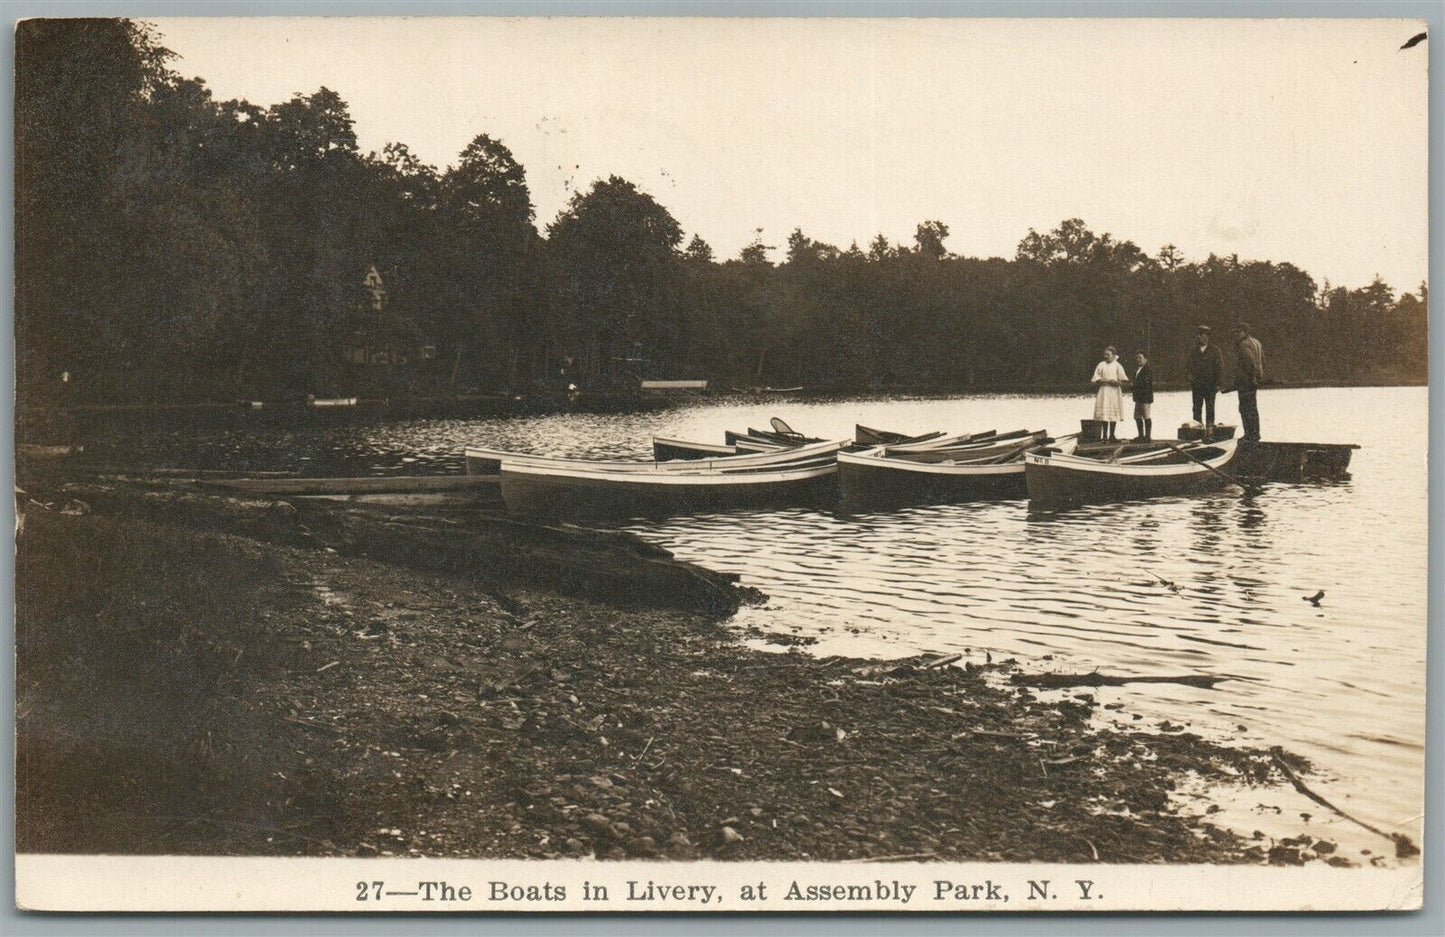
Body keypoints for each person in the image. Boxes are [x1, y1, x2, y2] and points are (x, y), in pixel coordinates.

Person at [1187, 325, 1225, 438]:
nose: (1199, 338)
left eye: (1202, 335)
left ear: (1207, 337)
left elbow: (1220, 368)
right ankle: (1197, 431)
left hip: (1210, 385)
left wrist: (1219, 383)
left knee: (1210, 408)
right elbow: (1188, 367)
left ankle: (1210, 431)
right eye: (1198, 336)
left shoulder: (1215, 350)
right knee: (1196, 408)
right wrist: (1189, 376)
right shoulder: (1194, 351)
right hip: (1197, 385)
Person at [1233, 322, 1265, 442]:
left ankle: (1249, 434)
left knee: (1244, 408)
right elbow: (1262, 360)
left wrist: (1251, 377)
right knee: (1253, 407)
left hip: (1246, 381)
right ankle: (1255, 433)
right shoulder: (1257, 343)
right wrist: (1258, 376)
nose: (1236, 335)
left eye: (1238, 332)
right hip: (1255, 380)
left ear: (1244, 332)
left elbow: (1249, 362)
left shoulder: (1243, 345)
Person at [1091, 346, 1129, 441]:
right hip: (1104, 391)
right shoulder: (1101, 365)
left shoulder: (1117, 366)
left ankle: (1112, 435)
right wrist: (1107, 381)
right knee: (1104, 413)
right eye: (1105, 354)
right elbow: (1095, 379)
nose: (1106, 356)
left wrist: (1117, 382)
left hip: (1114, 392)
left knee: (1113, 413)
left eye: (1108, 355)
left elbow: (1124, 380)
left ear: (1113, 355)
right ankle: (1104, 436)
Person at [1131, 351, 1154, 441]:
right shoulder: (1138, 370)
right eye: (1137, 358)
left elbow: (1145, 383)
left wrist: (1133, 385)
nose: (1138, 360)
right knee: (1137, 416)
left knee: (1146, 415)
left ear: (1146, 359)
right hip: (1138, 397)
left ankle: (1147, 437)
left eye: (1140, 358)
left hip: (1145, 396)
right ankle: (1141, 435)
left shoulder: (1147, 369)